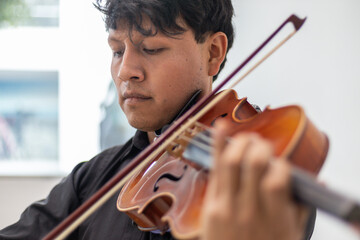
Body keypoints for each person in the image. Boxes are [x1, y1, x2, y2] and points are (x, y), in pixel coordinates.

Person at [0, 0, 315, 239]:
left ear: (213, 53)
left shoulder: (255, 178)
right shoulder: (94, 178)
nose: (126, 71)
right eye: (117, 50)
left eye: (150, 48)